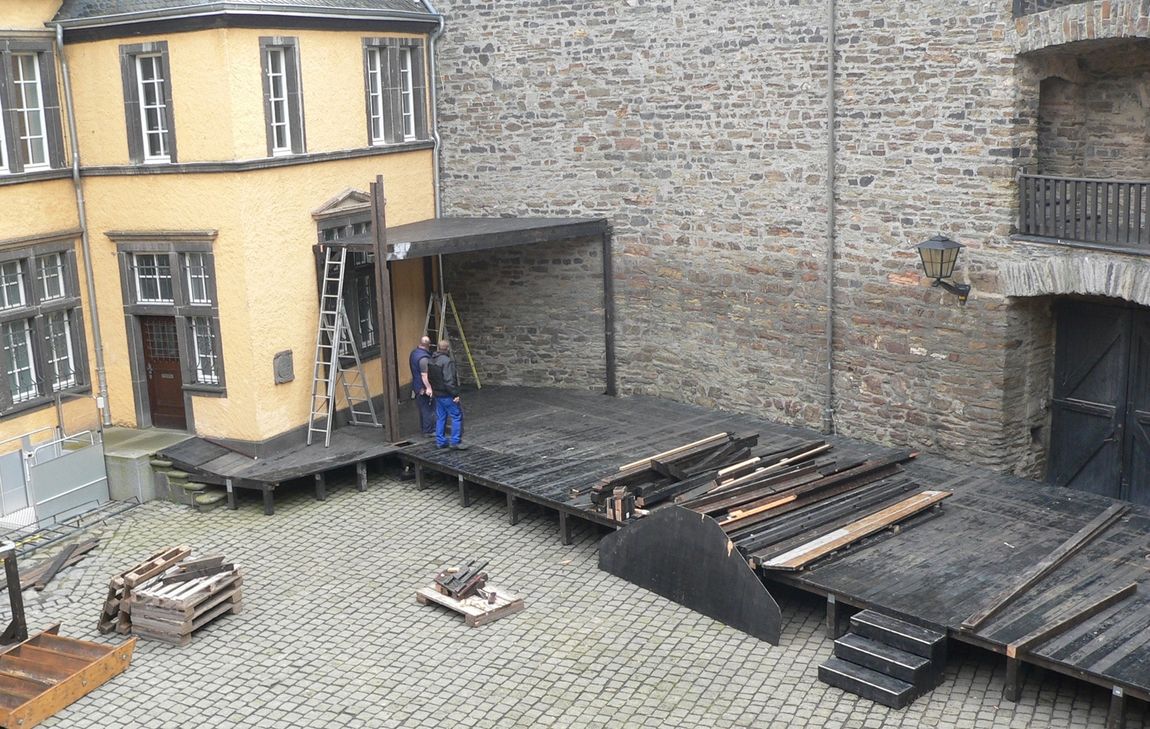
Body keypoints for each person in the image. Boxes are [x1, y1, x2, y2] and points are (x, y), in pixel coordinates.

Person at [426, 338, 468, 450]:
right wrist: (455, 394)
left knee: (441, 417)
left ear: (438, 348)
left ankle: (440, 441)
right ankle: (455, 441)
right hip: (446, 394)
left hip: (437, 394)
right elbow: (449, 380)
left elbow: (429, 377)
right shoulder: (447, 361)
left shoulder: (430, 360)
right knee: (456, 415)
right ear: (447, 349)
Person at [408, 336, 435, 437]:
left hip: (417, 385)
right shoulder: (424, 358)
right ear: (428, 345)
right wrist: (428, 387)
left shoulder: (414, 353)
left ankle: (425, 428)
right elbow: (424, 375)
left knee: (423, 408)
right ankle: (429, 430)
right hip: (423, 387)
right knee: (428, 408)